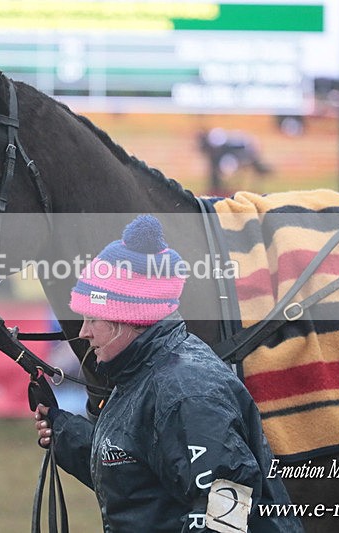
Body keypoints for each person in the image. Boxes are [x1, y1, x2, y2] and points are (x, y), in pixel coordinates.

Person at [35, 215, 301, 533]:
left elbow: (228, 515)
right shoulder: (142, 371)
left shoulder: (186, 393)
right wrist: (64, 432)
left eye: (93, 318)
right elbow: (139, 474)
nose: (83, 332)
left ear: (128, 318)